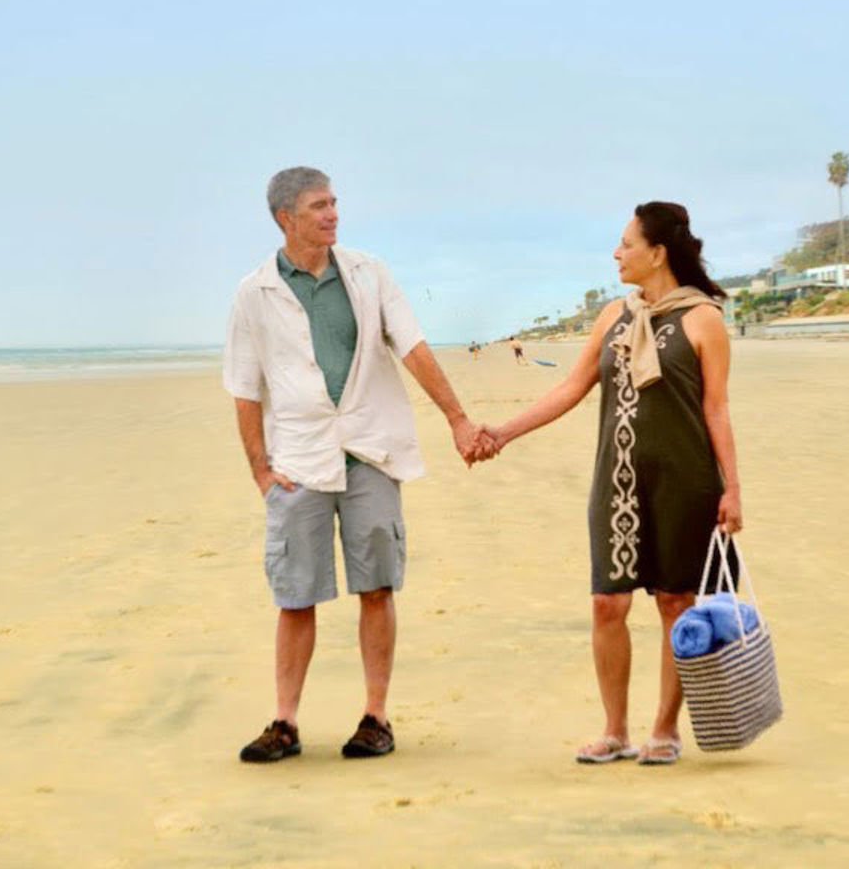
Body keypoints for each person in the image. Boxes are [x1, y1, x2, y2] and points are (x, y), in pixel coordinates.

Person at [225, 166, 486, 764]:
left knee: (376, 585)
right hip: (298, 458)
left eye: (335, 202)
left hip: (371, 448)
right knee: (295, 594)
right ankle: (285, 723)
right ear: (285, 218)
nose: (333, 214)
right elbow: (244, 387)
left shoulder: (369, 273)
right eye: (319, 206)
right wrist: (261, 471)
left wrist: (457, 418)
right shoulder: (253, 293)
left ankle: (375, 717)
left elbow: (413, 347)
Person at [478, 202, 743, 767]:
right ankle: (614, 730)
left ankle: (665, 729)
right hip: (617, 481)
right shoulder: (613, 317)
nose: (617, 254)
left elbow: (716, 410)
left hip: (685, 481)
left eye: (626, 244)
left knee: (677, 603)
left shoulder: (703, 320)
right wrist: (502, 433)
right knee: (607, 602)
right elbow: (571, 389)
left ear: (657, 253)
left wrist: (733, 490)